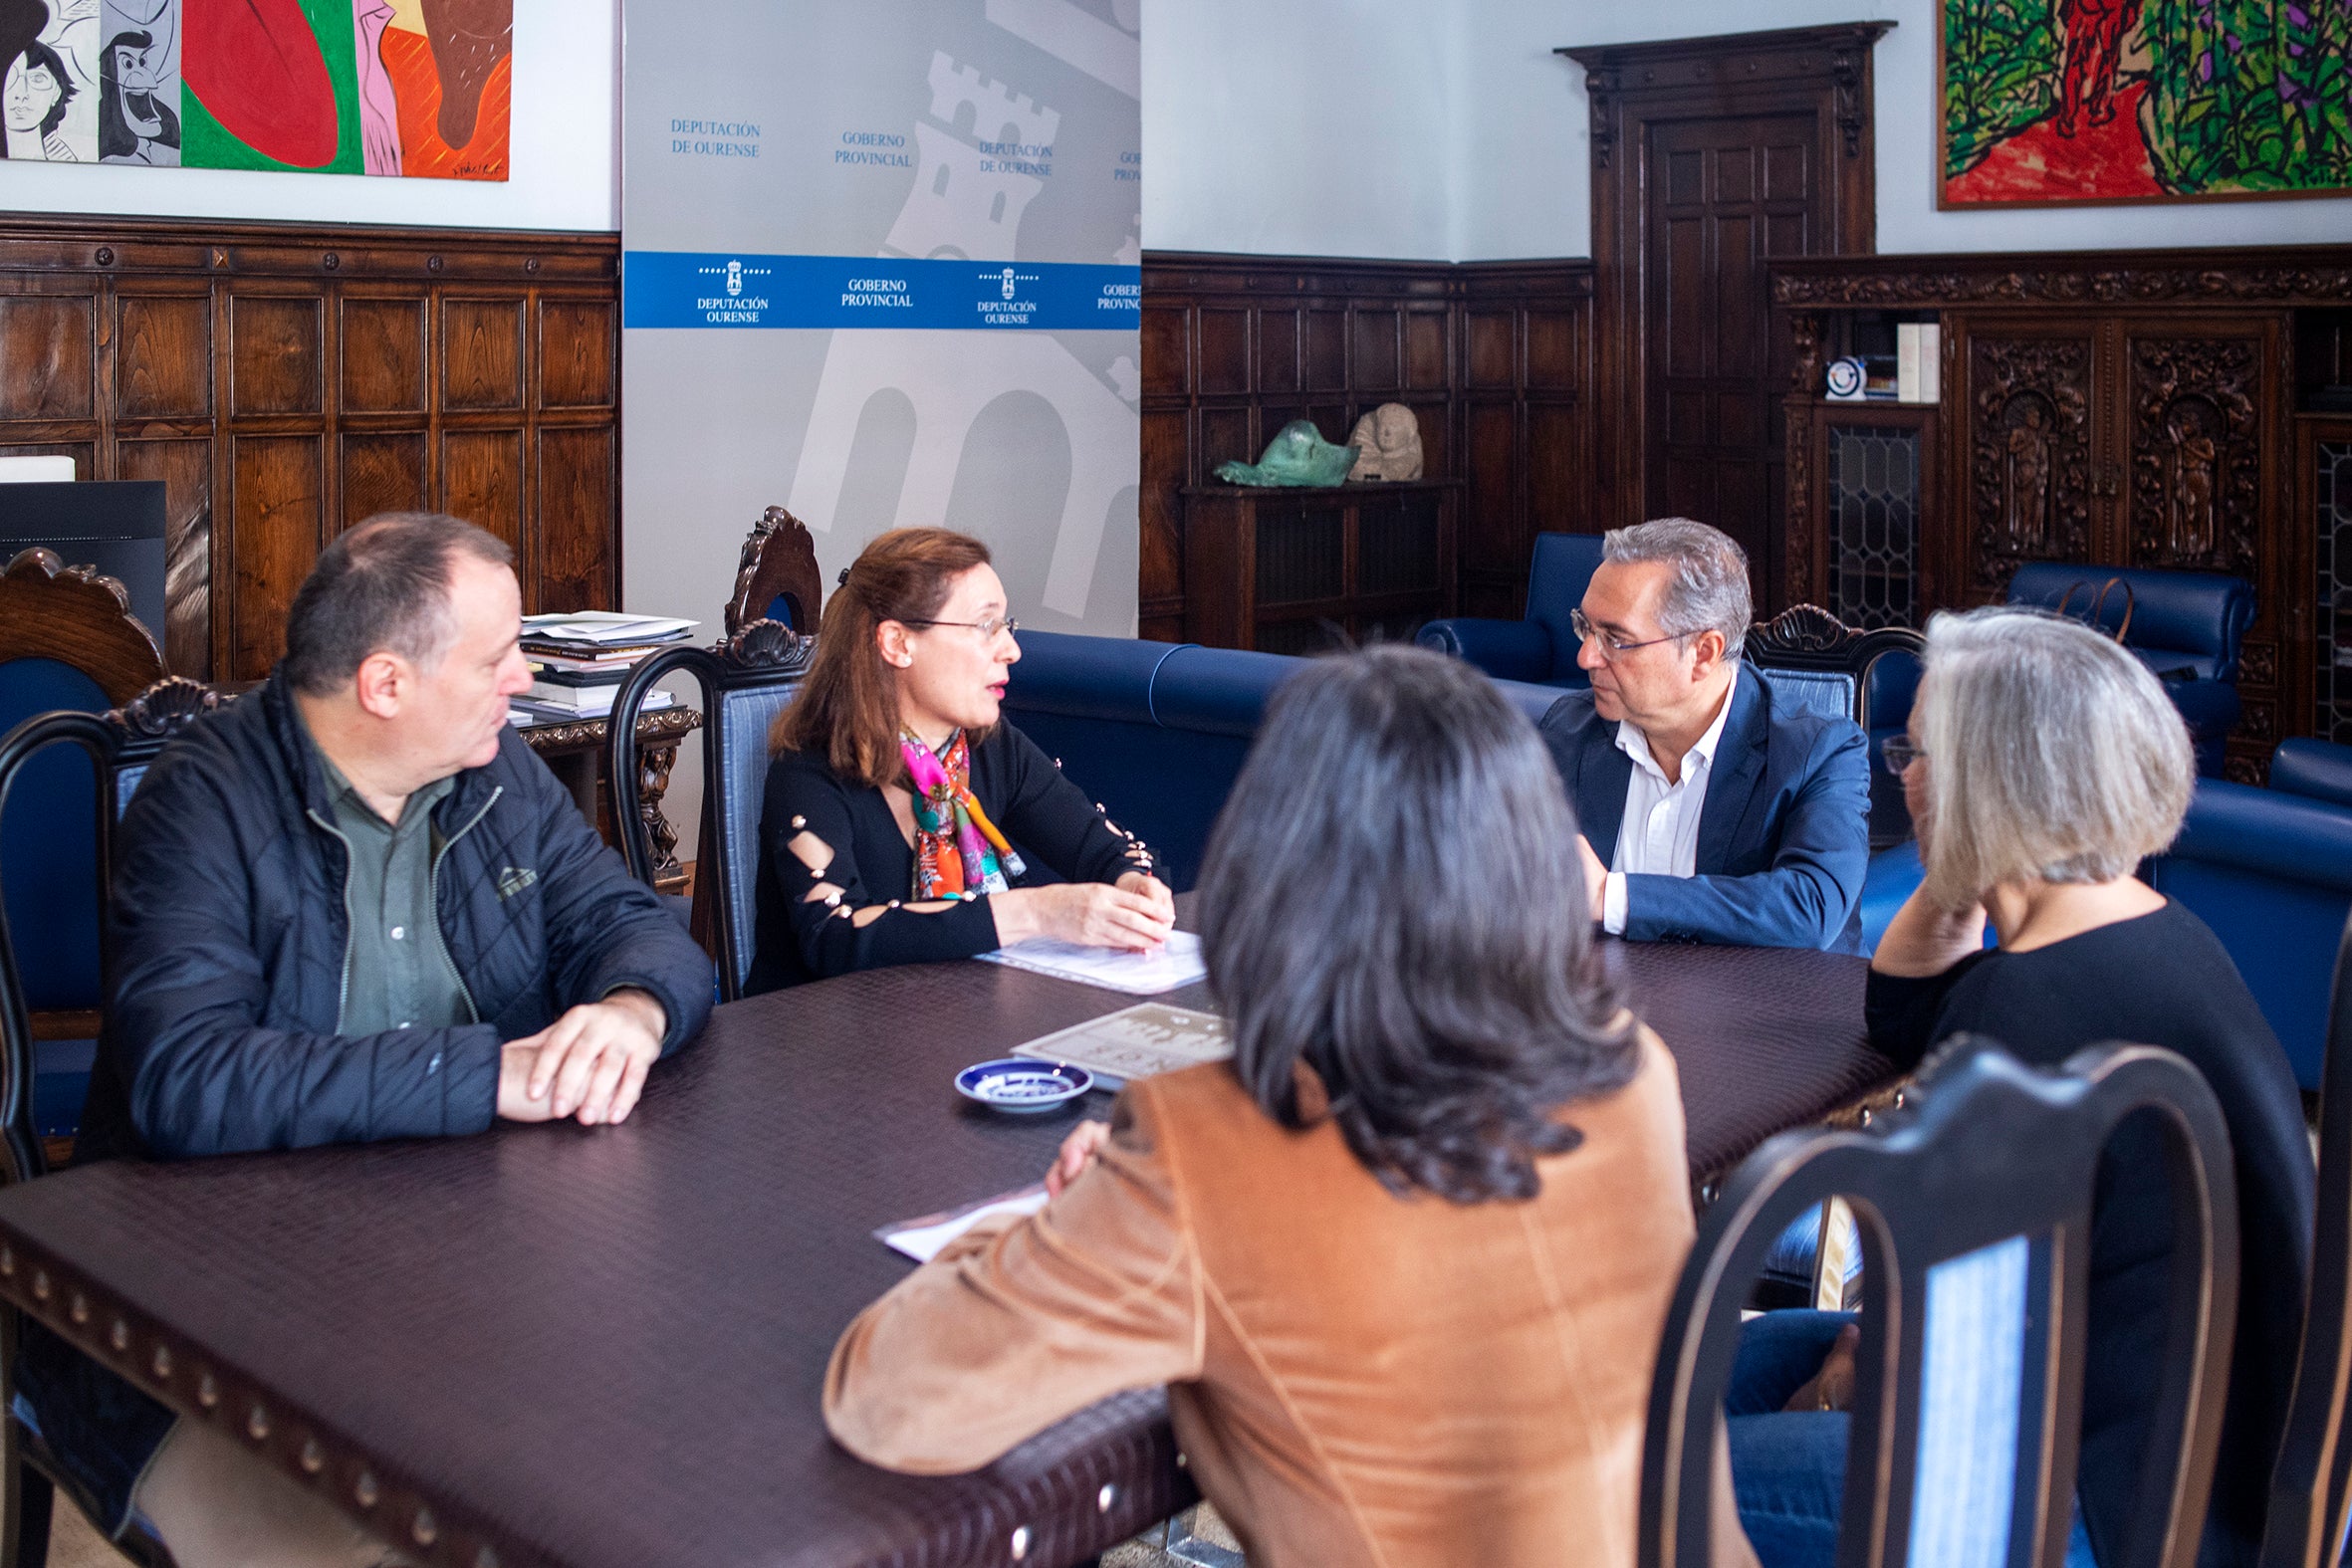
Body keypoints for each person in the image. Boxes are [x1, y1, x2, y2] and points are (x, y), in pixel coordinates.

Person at [823, 645, 1754, 1568]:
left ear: (1271, 863)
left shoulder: (1206, 1147)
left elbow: (891, 1402)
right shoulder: (1633, 1070)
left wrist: (1062, 1218)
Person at [16, 511, 715, 1566]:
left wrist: (630, 1009)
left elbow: (638, 928)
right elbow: (188, 1081)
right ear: (385, 685)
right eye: (495, 658)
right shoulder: (200, 803)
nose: (522, 678)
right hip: (213, 1318)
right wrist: (494, 1074)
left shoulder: (495, 775)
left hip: (469, 1271)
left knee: (658, 1462)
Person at [1727, 608, 2313, 1568]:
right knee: (1698, 1359)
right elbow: (1906, 1010)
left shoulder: (2024, 1011)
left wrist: (1833, 1386)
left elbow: (1915, 1344)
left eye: (1920, 752)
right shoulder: (2156, 938)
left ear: (1988, 785)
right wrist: (1975, 859)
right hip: (2192, 1457)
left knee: (1643, 1461)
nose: (1901, 772)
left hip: (2083, 1507)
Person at [747, 527, 1173, 993]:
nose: (1011, 649)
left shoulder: (987, 746)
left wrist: (1135, 885)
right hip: (821, 1048)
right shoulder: (810, 768)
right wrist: (1036, 912)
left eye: (1006, 626)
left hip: (962, 1023)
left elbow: (1103, 848)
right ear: (898, 643)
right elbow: (834, 936)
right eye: (986, 626)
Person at [1537, 518, 1871, 951]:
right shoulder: (1569, 730)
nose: (1586, 657)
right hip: (1600, 1006)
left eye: (1615, 640)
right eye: (1586, 628)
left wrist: (1611, 896)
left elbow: (1809, 907)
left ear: (1704, 653)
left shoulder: (1819, 750)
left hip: (1767, 1010)